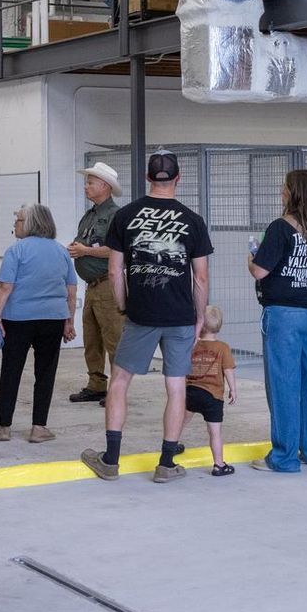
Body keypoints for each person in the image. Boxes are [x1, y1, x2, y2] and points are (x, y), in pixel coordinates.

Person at [80, 149, 212, 484]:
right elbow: (201, 277)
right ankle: (166, 464)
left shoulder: (126, 216)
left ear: (147, 177)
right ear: (178, 178)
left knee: (119, 381)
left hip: (141, 314)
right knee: (176, 386)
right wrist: (199, 317)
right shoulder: (193, 221)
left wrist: (124, 305)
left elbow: (115, 271)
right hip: (180, 316)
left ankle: (110, 460)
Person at [248, 168, 307, 474]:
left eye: (284, 187)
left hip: (285, 314)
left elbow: (260, 271)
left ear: (293, 193)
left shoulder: (280, 228)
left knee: (284, 383)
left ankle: (284, 457)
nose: (280, 191)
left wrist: (251, 259)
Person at [0, 203, 78, 443]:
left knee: (11, 370)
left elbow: (5, 287)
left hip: (18, 319)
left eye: (18, 220)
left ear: (30, 223)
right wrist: (69, 321)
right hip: (53, 319)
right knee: (45, 372)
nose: (15, 224)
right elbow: (71, 290)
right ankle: (39, 427)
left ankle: (4, 427)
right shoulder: (61, 252)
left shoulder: (16, 251)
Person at [67, 162, 123, 404]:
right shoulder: (89, 216)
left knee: (114, 339)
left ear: (105, 186)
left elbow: (118, 250)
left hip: (108, 286)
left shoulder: (115, 216)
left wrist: (86, 251)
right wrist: (77, 249)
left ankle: (118, 389)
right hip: (92, 286)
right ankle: (96, 384)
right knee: (92, 339)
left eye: (90, 182)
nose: (86, 186)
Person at [187, 304, 238, 476]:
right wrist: (233, 389)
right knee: (215, 432)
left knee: (179, 422)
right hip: (213, 396)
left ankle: (172, 447)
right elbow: (228, 370)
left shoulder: (192, 344)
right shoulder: (223, 347)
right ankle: (219, 465)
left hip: (190, 391)